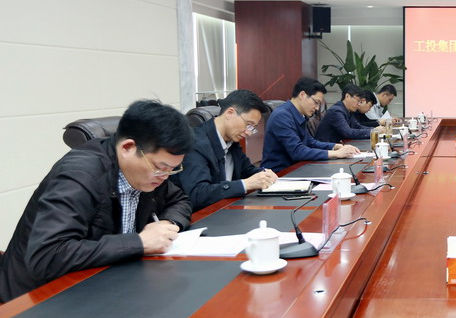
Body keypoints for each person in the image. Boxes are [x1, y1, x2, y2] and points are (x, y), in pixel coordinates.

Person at [0, 100, 194, 302]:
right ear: (127, 147)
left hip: (102, 284)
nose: (165, 176)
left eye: (172, 169)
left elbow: (179, 200)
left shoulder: (147, 173)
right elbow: (47, 255)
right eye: (160, 167)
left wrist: (166, 225)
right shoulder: (79, 177)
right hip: (36, 299)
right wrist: (139, 242)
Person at [173, 90, 278, 212]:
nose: (249, 132)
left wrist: (263, 173)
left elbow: (246, 170)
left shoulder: (231, 140)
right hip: (201, 216)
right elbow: (197, 194)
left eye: (253, 128)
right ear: (230, 113)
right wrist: (246, 184)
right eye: (248, 124)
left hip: (226, 210)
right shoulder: (195, 144)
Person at [262, 77, 360, 172]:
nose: (317, 108)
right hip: (280, 174)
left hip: (297, 168)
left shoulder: (298, 114)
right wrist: (336, 154)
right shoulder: (282, 116)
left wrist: (336, 146)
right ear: (302, 95)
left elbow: (310, 142)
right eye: (316, 102)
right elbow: (297, 151)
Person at [315, 84, 382, 143]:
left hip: (339, 145)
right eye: (358, 101)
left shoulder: (348, 110)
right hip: (326, 148)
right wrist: (373, 131)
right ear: (347, 97)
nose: (359, 104)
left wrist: (375, 130)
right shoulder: (336, 111)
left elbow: (357, 126)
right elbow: (348, 133)